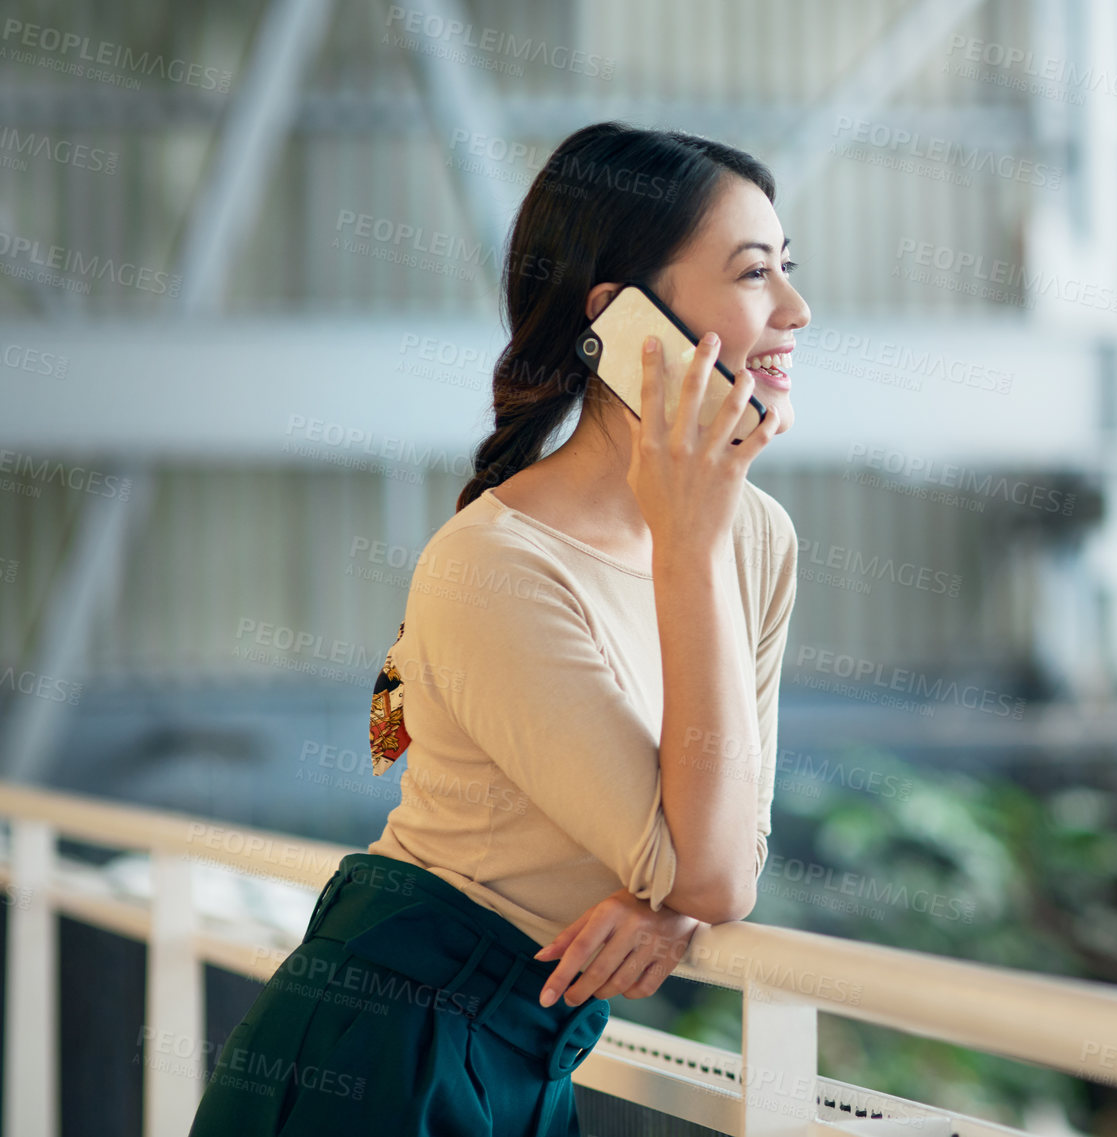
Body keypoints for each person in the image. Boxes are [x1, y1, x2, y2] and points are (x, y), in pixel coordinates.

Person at [188, 120, 807, 1136]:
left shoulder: (757, 538)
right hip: (392, 1039)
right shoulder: (494, 565)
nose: (795, 309)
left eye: (787, 269)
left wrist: (672, 905)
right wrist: (683, 548)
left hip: (534, 1039)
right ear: (621, 318)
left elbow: (729, 848)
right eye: (752, 275)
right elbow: (716, 867)